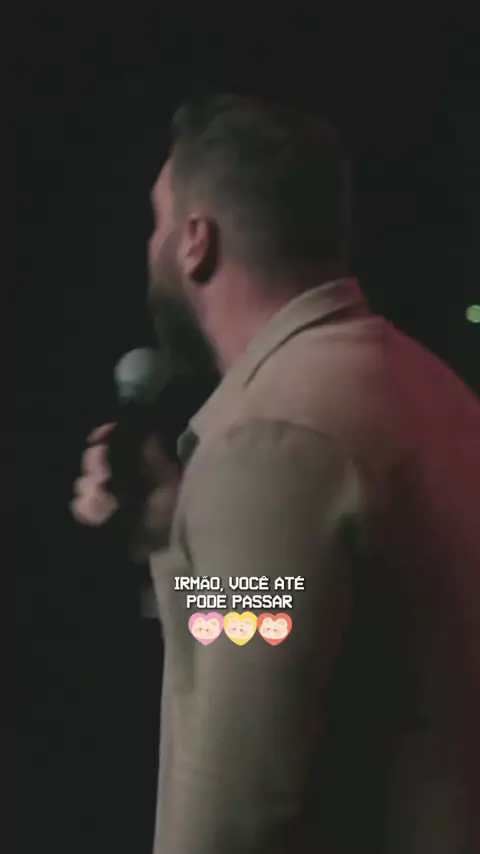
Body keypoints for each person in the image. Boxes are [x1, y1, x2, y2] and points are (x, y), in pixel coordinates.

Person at [72, 95, 480, 853]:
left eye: (159, 222)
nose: (153, 243)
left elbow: (238, 807)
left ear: (196, 242)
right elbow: (285, 629)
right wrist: (172, 533)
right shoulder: (427, 387)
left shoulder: (270, 443)